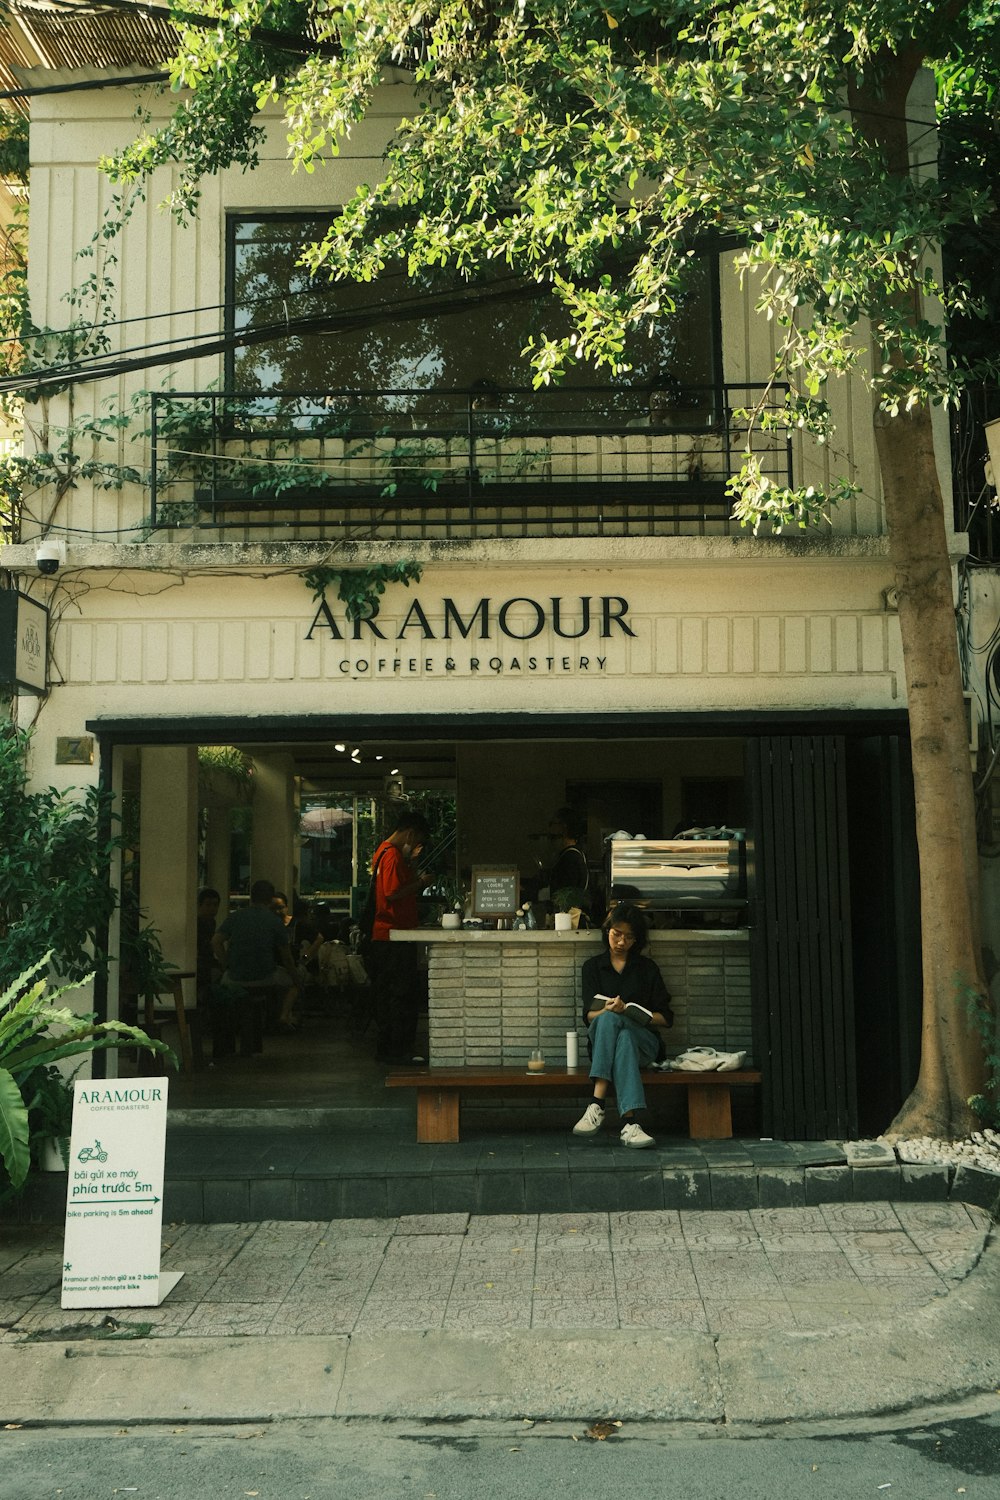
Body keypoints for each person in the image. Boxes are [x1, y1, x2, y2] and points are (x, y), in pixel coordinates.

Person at [572, 902, 673, 1148]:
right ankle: (630, 1125)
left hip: (645, 1044)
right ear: (607, 930)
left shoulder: (647, 969)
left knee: (624, 1030)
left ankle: (597, 1104)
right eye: (616, 934)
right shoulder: (592, 967)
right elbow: (589, 1017)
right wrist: (607, 1011)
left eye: (629, 937)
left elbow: (667, 1019)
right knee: (614, 1027)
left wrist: (633, 1012)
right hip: (605, 1044)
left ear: (636, 940)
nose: (621, 941)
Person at [369, 808, 433, 1064]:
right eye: (417, 841)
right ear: (410, 832)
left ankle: (390, 1049)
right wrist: (421, 883)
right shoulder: (392, 855)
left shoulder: (384, 852)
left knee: (391, 995)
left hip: (388, 935)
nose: (416, 846)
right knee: (400, 995)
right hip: (392, 936)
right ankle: (397, 1051)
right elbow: (393, 892)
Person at [212, 878, 300, 1032]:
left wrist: (226, 964)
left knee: (222, 982)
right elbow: (286, 958)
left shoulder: (236, 916)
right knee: (293, 984)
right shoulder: (275, 921)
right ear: (270, 898)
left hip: (234, 977)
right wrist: (296, 977)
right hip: (266, 977)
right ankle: (283, 1017)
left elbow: (216, 942)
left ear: (251, 896)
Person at [545, 806, 590, 906]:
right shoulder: (576, 854)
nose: (549, 827)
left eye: (553, 823)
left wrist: (535, 894)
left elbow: (564, 893)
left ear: (563, 826)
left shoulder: (570, 858)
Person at [196, 887, 220, 1006]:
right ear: (200, 905)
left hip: (207, 960)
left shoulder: (211, 922)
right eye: (208, 904)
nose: (212, 908)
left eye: (215, 905)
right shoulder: (196, 923)